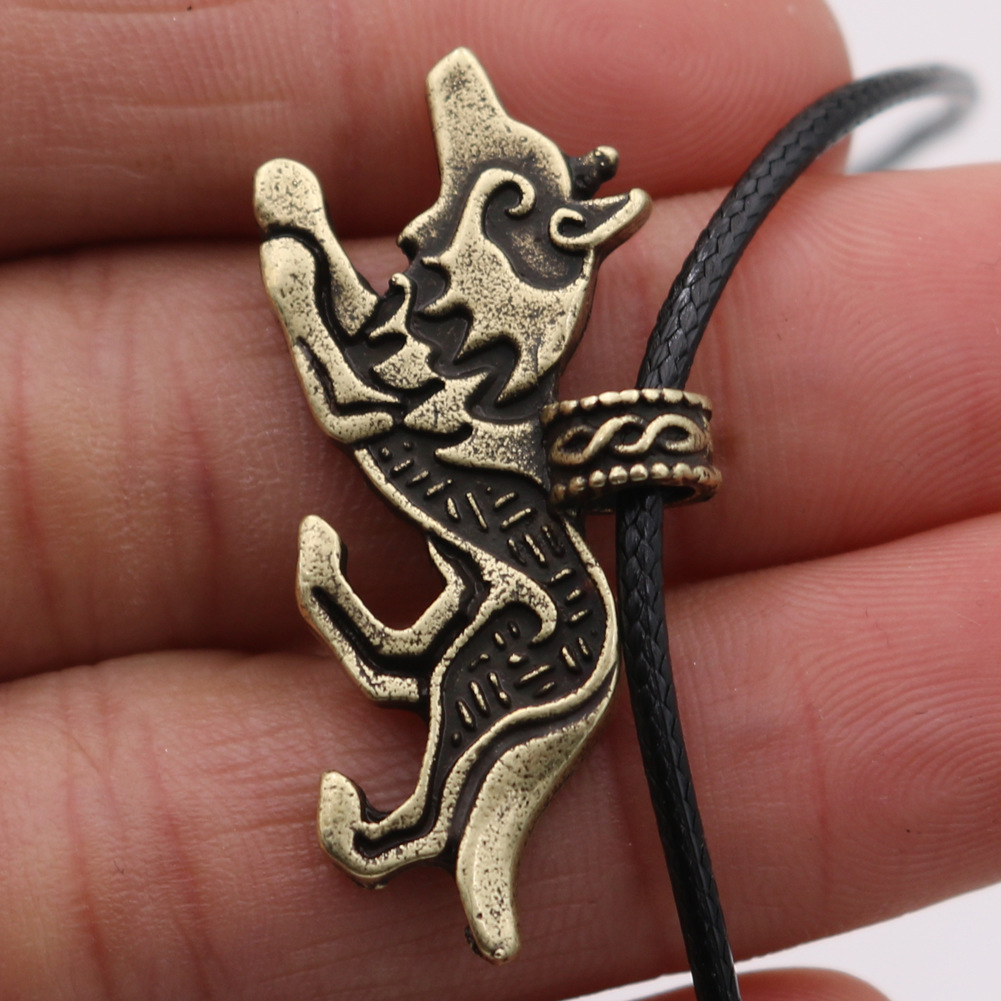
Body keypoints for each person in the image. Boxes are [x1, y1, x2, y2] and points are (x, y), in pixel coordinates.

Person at [0, 1, 997, 999]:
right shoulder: (451, 371)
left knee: (465, 701)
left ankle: (416, 834)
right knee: (448, 672)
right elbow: (368, 374)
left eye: (467, 212)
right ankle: (396, 724)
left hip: (561, 630)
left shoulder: (466, 399)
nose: (420, 231)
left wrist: (302, 272)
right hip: (548, 605)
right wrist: (308, 250)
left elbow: (350, 396)